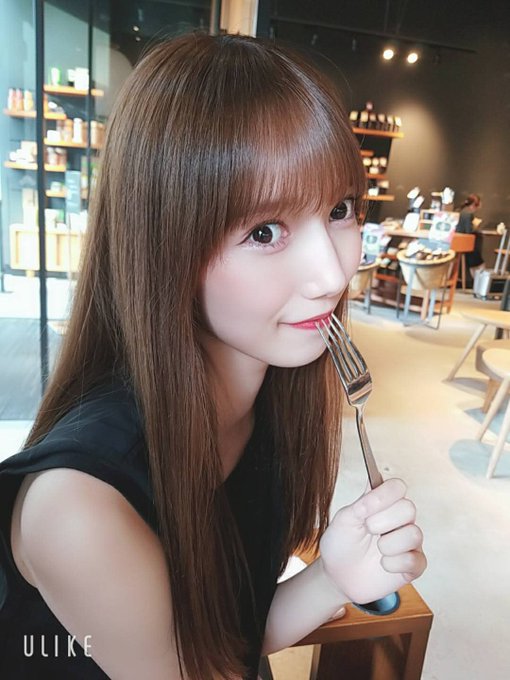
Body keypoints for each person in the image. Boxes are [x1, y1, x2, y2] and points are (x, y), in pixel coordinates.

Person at [0, 32, 426, 680]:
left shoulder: (274, 399)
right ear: (162, 245)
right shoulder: (78, 508)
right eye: (265, 231)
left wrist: (333, 577)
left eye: (340, 209)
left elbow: (223, 644)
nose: (332, 275)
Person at [455, 193, 485, 280]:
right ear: (475, 204)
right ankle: (478, 283)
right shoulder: (469, 214)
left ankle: (476, 282)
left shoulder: (462, 211)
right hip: (466, 244)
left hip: (457, 243)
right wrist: (475, 226)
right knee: (479, 263)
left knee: (474, 262)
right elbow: (469, 231)